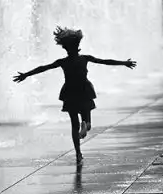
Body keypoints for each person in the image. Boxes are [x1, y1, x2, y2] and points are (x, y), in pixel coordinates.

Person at [13, 26, 137, 164]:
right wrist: (124, 63)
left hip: (70, 92)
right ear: (78, 45)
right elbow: (105, 61)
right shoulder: (85, 58)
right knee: (88, 123)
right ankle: (86, 124)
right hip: (84, 90)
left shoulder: (62, 62)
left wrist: (26, 74)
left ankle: (78, 153)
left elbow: (43, 68)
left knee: (74, 125)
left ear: (65, 48)